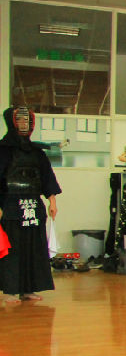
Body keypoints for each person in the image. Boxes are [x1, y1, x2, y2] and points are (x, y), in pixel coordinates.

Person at [0, 107, 61, 306]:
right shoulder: (2, 150)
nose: (24, 124)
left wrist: (52, 202)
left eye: (27, 121)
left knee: (34, 248)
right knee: (12, 249)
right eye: (20, 120)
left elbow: (47, 178)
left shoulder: (37, 152)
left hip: (34, 205)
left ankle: (29, 289)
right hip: (11, 206)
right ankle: (10, 290)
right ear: (11, 123)